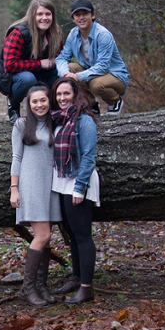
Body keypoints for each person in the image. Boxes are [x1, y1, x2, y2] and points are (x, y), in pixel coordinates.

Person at [49, 77, 100, 304]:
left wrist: (80, 188)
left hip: (79, 180)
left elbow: (89, 156)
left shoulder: (84, 120)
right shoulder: (60, 119)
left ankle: (87, 288)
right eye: (58, 94)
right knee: (71, 234)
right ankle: (77, 278)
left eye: (66, 94)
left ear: (75, 94)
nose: (62, 98)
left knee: (82, 235)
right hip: (63, 181)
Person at [9, 85, 61, 306]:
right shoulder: (22, 124)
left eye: (43, 100)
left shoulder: (55, 123)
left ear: (50, 101)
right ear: (28, 105)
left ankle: (41, 286)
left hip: (51, 186)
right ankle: (27, 288)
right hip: (31, 185)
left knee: (47, 236)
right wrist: (14, 188)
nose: (39, 105)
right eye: (34, 102)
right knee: (42, 235)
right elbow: (16, 157)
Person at [56, 0, 129, 115]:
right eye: (77, 15)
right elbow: (62, 57)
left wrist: (77, 77)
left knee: (96, 85)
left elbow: (103, 66)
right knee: (70, 67)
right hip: (92, 74)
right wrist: (65, 75)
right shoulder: (73, 34)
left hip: (115, 76)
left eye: (85, 13)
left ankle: (115, 101)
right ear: (73, 19)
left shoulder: (103, 35)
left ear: (93, 15)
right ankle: (91, 105)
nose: (81, 17)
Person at [0, 0, 65, 125]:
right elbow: (9, 65)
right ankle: (13, 104)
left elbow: (62, 55)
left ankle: (55, 111)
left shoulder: (56, 32)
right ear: (32, 15)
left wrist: (56, 60)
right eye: (39, 14)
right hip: (14, 75)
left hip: (43, 72)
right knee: (28, 80)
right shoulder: (18, 33)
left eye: (48, 14)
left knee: (61, 78)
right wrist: (40, 64)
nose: (44, 18)